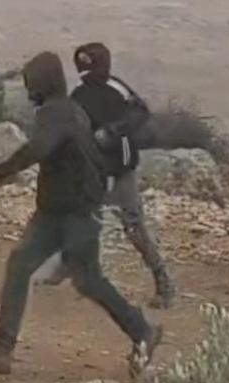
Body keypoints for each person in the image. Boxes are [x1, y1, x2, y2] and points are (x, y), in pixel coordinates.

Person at [0, 51, 163, 378]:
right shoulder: (70, 110)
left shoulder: (57, 113)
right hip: (56, 209)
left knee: (89, 280)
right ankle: (1, 351)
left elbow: (40, 148)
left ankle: (143, 332)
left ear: (43, 84)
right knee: (22, 264)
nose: (28, 93)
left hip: (76, 211)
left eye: (31, 85)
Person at [60, 41, 177, 307]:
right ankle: (68, 267)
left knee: (133, 227)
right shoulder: (79, 95)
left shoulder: (117, 89)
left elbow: (141, 113)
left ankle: (163, 281)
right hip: (94, 169)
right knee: (78, 217)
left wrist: (114, 131)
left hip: (121, 167)